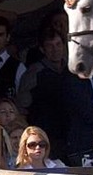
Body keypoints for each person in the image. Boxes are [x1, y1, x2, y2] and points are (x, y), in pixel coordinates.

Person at [16, 27, 69, 162]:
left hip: (72, 137)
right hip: (45, 138)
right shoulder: (34, 73)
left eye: (58, 44)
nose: (55, 49)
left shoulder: (72, 69)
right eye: (49, 46)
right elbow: (22, 109)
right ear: (42, 49)